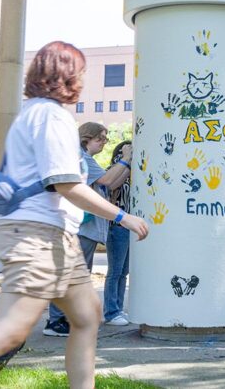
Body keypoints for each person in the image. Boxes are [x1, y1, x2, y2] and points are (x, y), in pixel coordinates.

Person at [0, 41, 149, 387]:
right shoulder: (51, 116)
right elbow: (66, 185)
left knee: (86, 316)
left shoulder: (33, 113)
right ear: (68, 76)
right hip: (37, 234)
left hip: (53, 234)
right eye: (79, 72)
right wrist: (122, 217)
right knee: (9, 332)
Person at [45, 122, 133, 336]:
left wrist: (127, 164)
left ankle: (64, 319)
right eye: (100, 138)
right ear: (87, 138)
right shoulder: (81, 157)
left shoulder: (85, 159)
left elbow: (110, 185)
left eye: (105, 139)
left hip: (85, 228)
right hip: (80, 227)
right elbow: (107, 179)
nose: (104, 143)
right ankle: (56, 321)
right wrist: (126, 158)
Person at [103, 141, 135, 325]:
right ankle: (111, 311)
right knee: (115, 271)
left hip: (129, 227)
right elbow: (113, 186)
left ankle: (118, 309)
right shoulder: (115, 170)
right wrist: (127, 159)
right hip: (117, 227)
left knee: (123, 271)